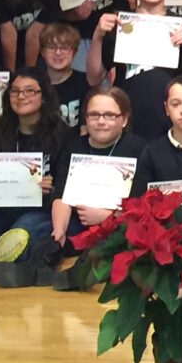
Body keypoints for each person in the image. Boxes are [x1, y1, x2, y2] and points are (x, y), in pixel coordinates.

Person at [0, 69, 70, 285]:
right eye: (15, 91)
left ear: (43, 96)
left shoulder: (61, 134)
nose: (21, 96)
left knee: (23, 229)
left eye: (29, 91)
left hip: (40, 209)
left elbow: (65, 184)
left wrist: (52, 185)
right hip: (0, 208)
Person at [90, 0, 182, 140]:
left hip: (167, 119)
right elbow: (94, 78)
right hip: (126, 117)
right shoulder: (120, 23)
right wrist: (97, 36)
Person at [46, 87, 145, 265]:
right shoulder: (73, 148)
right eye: (94, 115)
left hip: (119, 225)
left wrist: (107, 216)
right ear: (86, 119)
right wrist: (59, 229)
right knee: (41, 231)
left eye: (109, 115)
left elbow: (140, 203)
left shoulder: (139, 150)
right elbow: (61, 194)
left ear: (124, 119)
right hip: (77, 222)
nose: (101, 121)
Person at [31, 22, 88, 130]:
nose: (58, 53)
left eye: (64, 48)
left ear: (74, 52)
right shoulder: (33, 84)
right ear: (43, 52)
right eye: (52, 47)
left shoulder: (84, 82)